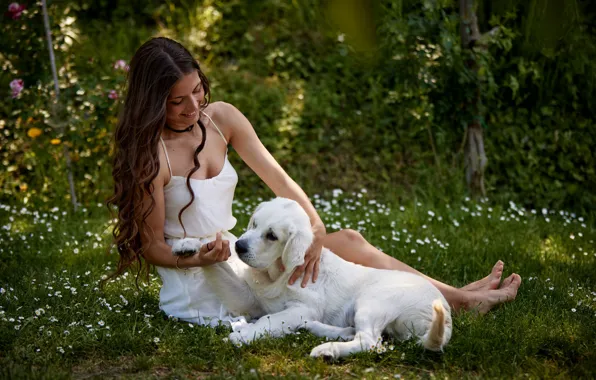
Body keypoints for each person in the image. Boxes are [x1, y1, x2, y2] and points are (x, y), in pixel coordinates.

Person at [108, 37, 521, 328]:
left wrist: (316, 231)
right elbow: (153, 247)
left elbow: (281, 182)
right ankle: (463, 301)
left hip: (239, 255)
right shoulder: (149, 154)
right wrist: (201, 258)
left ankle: (454, 297)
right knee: (337, 260)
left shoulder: (221, 118)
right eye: (178, 101)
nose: (194, 106)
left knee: (349, 241)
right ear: (151, 101)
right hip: (201, 283)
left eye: (198, 91)